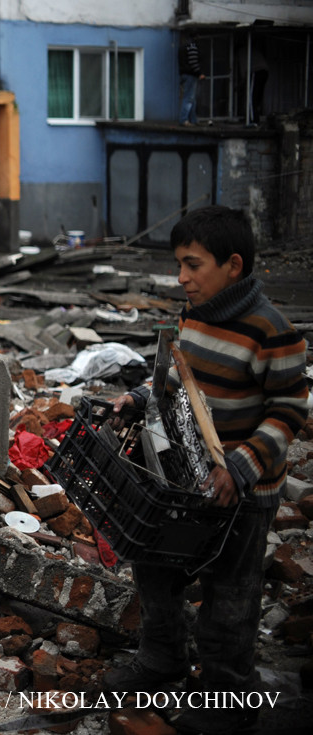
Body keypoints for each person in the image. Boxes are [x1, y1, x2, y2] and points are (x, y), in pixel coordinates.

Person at [105, 206, 308, 735]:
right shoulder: (193, 317)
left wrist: (239, 468)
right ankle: (160, 663)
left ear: (233, 265)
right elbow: (176, 383)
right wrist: (136, 396)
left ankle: (226, 690)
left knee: (230, 594)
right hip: (189, 481)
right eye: (179, 265)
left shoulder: (272, 331)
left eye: (193, 265)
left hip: (245, 491)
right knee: (155, 568)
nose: (182, 278)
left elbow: (290, 410)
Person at [178, 34, 204, 126]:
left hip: (183, 74)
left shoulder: (182, 47)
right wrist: (199, 73)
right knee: (189, 98)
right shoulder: (192, 47)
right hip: (190, 74)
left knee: (191, 98)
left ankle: (193, 120)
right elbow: (193, 62)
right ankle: (184, 120)